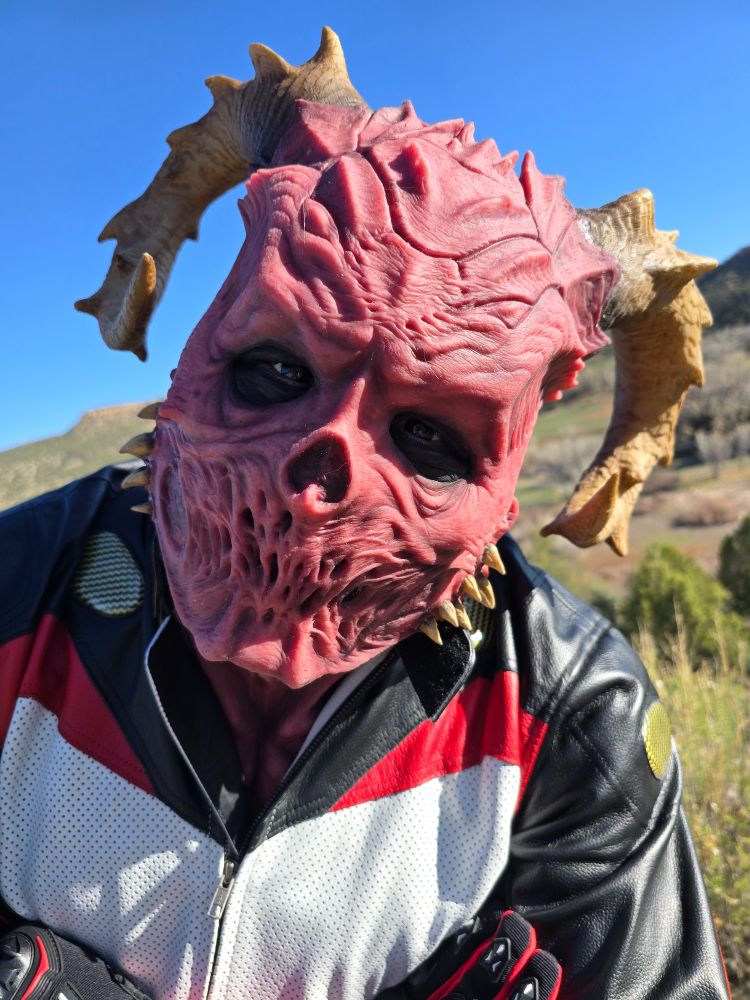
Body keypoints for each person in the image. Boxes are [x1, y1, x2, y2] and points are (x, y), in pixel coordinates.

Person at [0, 28, 731, 1000]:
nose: (320, 479)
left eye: (431, 439)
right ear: (198, 348)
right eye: (274, 371)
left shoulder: (571, 717)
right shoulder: (17, 590)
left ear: (503, 489)